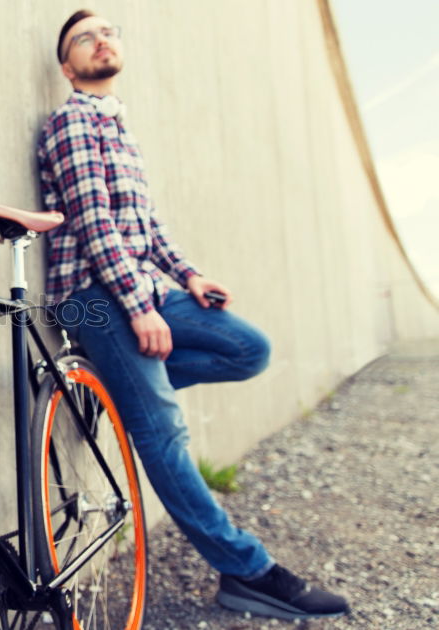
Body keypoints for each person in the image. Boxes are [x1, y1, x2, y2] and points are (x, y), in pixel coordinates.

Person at [37, 9, 349, 621]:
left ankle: (121, 390)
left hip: (137, 286)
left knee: (247, 347)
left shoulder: (118, 127)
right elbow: (96, 228)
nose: (102, 40)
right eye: (84, 38)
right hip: (92, 298)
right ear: (67, 65)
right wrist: (137, 307)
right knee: (165, 434)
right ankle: (248, 572)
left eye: (109, 31)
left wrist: (188, 277)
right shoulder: (71, 121)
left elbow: (145, 227)